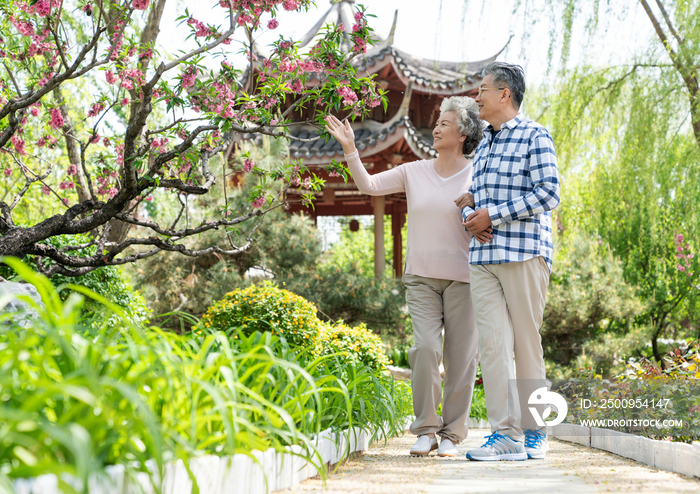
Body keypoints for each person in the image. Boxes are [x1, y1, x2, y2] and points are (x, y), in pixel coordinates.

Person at [325, 97, 483, 457]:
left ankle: (452, 436)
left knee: (462, 360)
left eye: (445, 123)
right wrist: (351, 149)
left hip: (466, 279)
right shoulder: (414, 171)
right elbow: (368, 185)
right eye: (437, 122)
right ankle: (426, 429)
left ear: (463, 132)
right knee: (425, 349)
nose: (437, 127)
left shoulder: (478, 172)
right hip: (421, 278)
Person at [460, 62, 560, 461]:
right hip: (482, 256)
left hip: (524, 253)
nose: (476, 96)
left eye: (482, 89)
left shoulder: (535, 135)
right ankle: (505, 435)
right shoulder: (484, 144)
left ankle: (536, 432)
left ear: (505, 94)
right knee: (493, 345)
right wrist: (470, 215)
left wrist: (493, 215)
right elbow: (474, 198)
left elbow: (549, 192)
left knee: (525, 342)